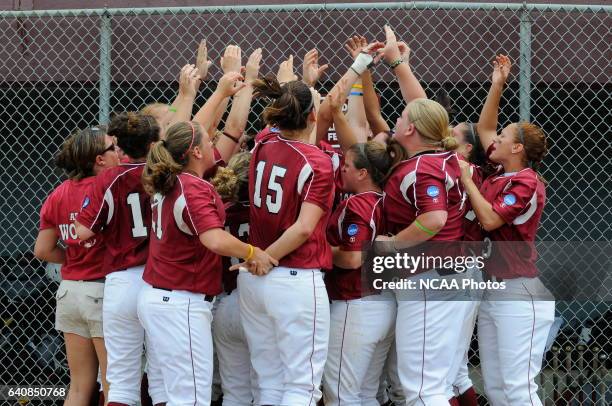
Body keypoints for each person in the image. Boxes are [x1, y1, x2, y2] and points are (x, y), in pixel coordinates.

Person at [137, 122, 276, 406]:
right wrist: (253, 252)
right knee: (192, 399)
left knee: (170, 396)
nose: (215, 146)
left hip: (163, 297)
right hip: (180, 301)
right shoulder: (191, 186)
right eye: (210, 141)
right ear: (196, 151)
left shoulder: (170, 182)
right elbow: (213, 239)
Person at [459, 54, 554, 406]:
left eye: (503, 137)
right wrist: (497, 85)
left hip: (519, 292)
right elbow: (484, 129)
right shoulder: (502, 173)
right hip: (494, 289)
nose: (492, 140)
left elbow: (490, 221)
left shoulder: (527, 182)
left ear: (517, 148)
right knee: (496, 388)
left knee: (518, 388)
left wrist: (468, 182)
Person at [234, 73, 334, 406]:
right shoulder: (318, 161)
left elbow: (283, 123)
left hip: (255, 280)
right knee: (301, 386)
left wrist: (259, 258)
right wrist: (266, 256)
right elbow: (304, 228)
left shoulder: (263, 140)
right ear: (312, 116)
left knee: (268, 382)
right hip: (293, 275)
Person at [376, 97, 469, 406]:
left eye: (402, 117)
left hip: (431, 276)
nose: (396, 122)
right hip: (444, 275)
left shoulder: (423, 165)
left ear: (412, 128)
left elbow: (434, 218)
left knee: (422, 388)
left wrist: (393, 244)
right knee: (435, 385)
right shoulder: (442, 158)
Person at [74, 112, 166, 406]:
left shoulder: (109, 178)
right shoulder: (164, 174)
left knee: (122, 383)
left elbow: (82, 231)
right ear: (153, 144)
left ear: (121, 145)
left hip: (120, 281)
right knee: (162, 379)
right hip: (158, 280)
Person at [34, 126, 119, 405]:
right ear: (99, 160)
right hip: (101, 290)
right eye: (112, 147)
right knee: (112, 385)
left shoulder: (59, 193)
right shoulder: (107, 186)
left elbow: (42, 249)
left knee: (79, 387)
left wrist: (71, 256)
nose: (118, 150)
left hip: (70, 292)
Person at [321, 141, 396, 406]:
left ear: (363, 173)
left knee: (341, 396)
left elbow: (353, 258)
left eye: (348, 166)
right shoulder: (388, 199)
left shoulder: (359, 205)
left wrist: (317, 251)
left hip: (355, 304)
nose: (341, 170)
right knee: (366, 394)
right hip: (383, 301)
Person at [210, 152, 256, 406]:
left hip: (225, 304)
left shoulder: (220, 212)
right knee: (266, 386)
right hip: (258, 302)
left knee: (235, 392)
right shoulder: (265, 212)